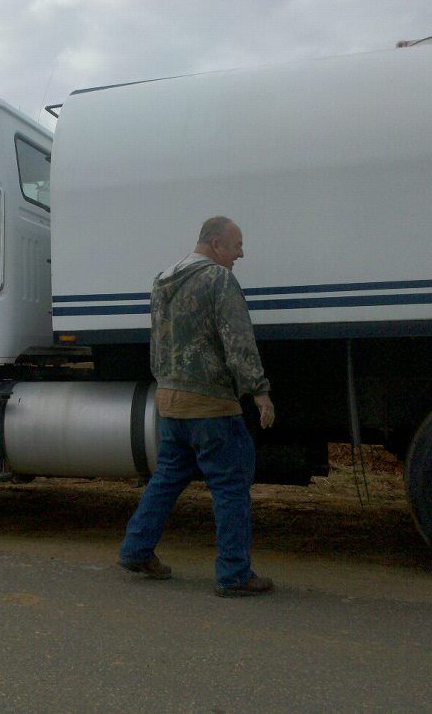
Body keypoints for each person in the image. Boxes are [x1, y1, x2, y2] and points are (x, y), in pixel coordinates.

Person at [118, 216, 276, 597]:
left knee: (169, 476)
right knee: (231, 484)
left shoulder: (163, 280)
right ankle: (235, 574)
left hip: (170, 401)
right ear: (217, 243)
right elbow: (238, 340)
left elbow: (156, 342)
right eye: (237, 245)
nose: (241, 253)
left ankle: (136, 548)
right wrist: (259, 391)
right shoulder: (218, 280)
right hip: (210, 404)